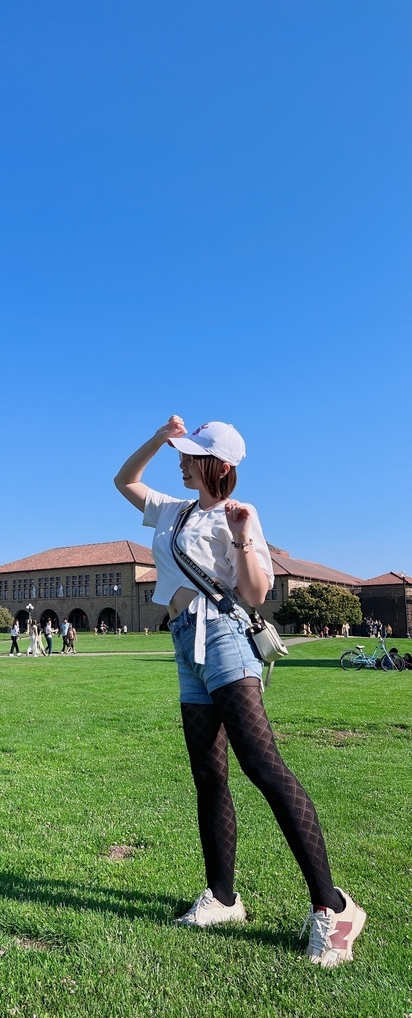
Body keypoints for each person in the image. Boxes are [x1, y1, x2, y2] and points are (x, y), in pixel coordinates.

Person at [114, 415, 365, 968]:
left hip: (226, 637)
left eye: (188, 453)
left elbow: (254, 592)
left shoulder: (239, 515)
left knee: (262, 764)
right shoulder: (172, 510)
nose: (180, 460)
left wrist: (245, 533)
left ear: (217, 465)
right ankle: (223, 897)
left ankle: (333, 906)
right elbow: (124, 481)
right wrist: (158, 439)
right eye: (179, 452)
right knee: (209, 773)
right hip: (184, 642)